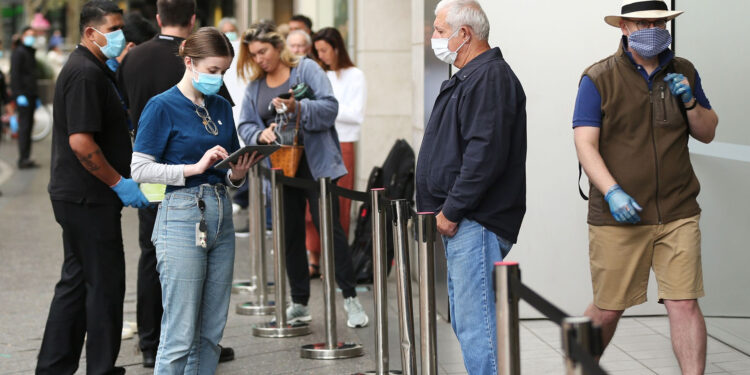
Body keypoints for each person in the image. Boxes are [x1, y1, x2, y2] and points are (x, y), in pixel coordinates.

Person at [573, 1, 718, 373]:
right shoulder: (598, 78)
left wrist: (690, 103)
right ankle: (577, 368)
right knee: (607, 308)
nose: (651, 29)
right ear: (624, 27)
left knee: (684, 302)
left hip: (678, 211)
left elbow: (707, 132)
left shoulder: (684, 70)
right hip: (618, 217)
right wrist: (612, 191)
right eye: (642, 23)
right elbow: (585, 144)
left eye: (659, 22)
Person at [118, 0, 236, 367]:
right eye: (213, 69)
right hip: (182, 212)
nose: (219, 77)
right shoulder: (161, 105)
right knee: (180, 333)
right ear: (189, 62)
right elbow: (140, 168)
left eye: (224, 71)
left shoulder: (218, 105)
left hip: (220, 212)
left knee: (211, 332)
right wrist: (192, 168)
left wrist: (238, 170)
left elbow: (227, 165)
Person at [37, 2, 150, 374]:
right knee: (104, 286)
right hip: (88, 197)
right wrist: (119, 183)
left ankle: (54, 367)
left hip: (81, 196)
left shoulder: (97, 69)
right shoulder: (86, 73)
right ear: (90, 32)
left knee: (76, 282)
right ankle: (100, 368)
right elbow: (81, 143)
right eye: (114, 28)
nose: (121, 35)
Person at [416, 1, 527, 373]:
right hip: (466, 220)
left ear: (465, 34)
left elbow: (484, 156)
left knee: (477, 327)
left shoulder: (489, 77)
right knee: (469, 323)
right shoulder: (470, 76)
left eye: (440, 30)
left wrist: (451, 210)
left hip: (474, 220)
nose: (433, 37)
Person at [236, 24, 369, 328]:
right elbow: (245, 125)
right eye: (253, 54)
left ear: (277, 46)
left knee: (330, 230)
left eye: (263, 51)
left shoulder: (305, 70)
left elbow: (329, 109)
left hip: (317, 164)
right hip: (281, 169)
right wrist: (261, 133)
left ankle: (350, 299)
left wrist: (298, 107)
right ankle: (299, 302)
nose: (259, 59)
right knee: (290, 234)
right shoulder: (256, 86)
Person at [307, 26, 366, 277]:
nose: (321, 56)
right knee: (313, 207)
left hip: (343, 144)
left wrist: (325, 109)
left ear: (336, 48)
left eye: (324, 50)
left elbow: (356, 116)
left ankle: (336, 261)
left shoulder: (355, 75)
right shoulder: (321, 75)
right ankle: (314, 258)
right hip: (317, 143)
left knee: (339, 205)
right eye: (317, 51)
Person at [10, 26, 40, 169]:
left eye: (33, 35)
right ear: (23, 36)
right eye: (29, 35)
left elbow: (31, 76)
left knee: (28, 128)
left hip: (30, 95)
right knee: (24, 127)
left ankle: (26, 157)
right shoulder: (19, 53)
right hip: (24, 96)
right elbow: (15, 75)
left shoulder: (29, 52)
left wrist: (36, 96)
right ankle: (23, 158)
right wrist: (19, 94)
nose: (31, 37)